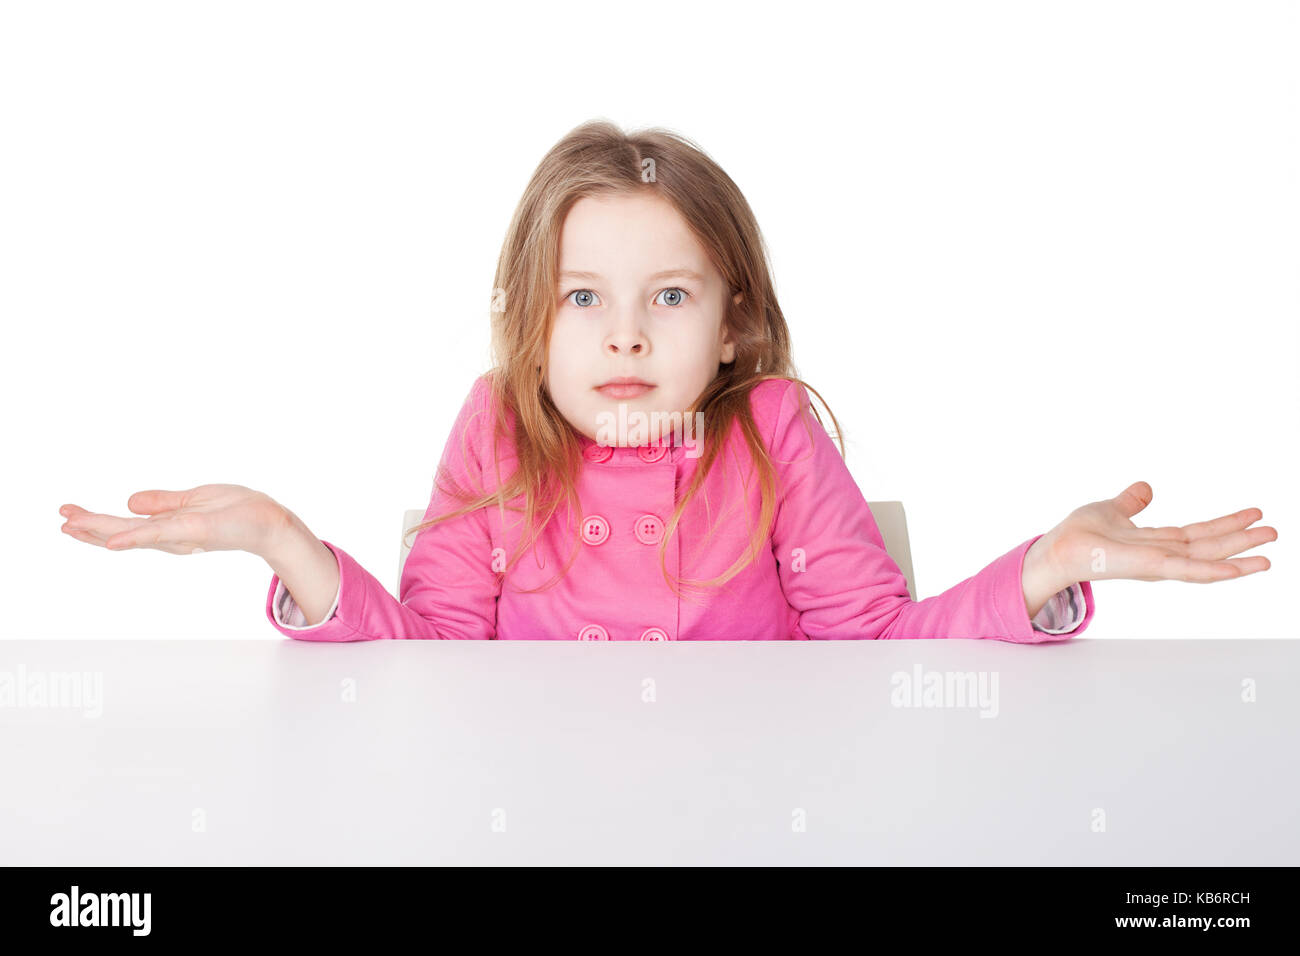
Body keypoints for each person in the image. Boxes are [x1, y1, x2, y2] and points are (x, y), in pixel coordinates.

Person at [57, 121, 1277, 641]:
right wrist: (286, 540)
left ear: (735, 323)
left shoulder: (774, 426)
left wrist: (1044, 568)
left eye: (671, 297)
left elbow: (880, 644)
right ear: (533, 325)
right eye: (583, 297)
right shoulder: (496, 424)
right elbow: (423, 658)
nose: (625, 338)